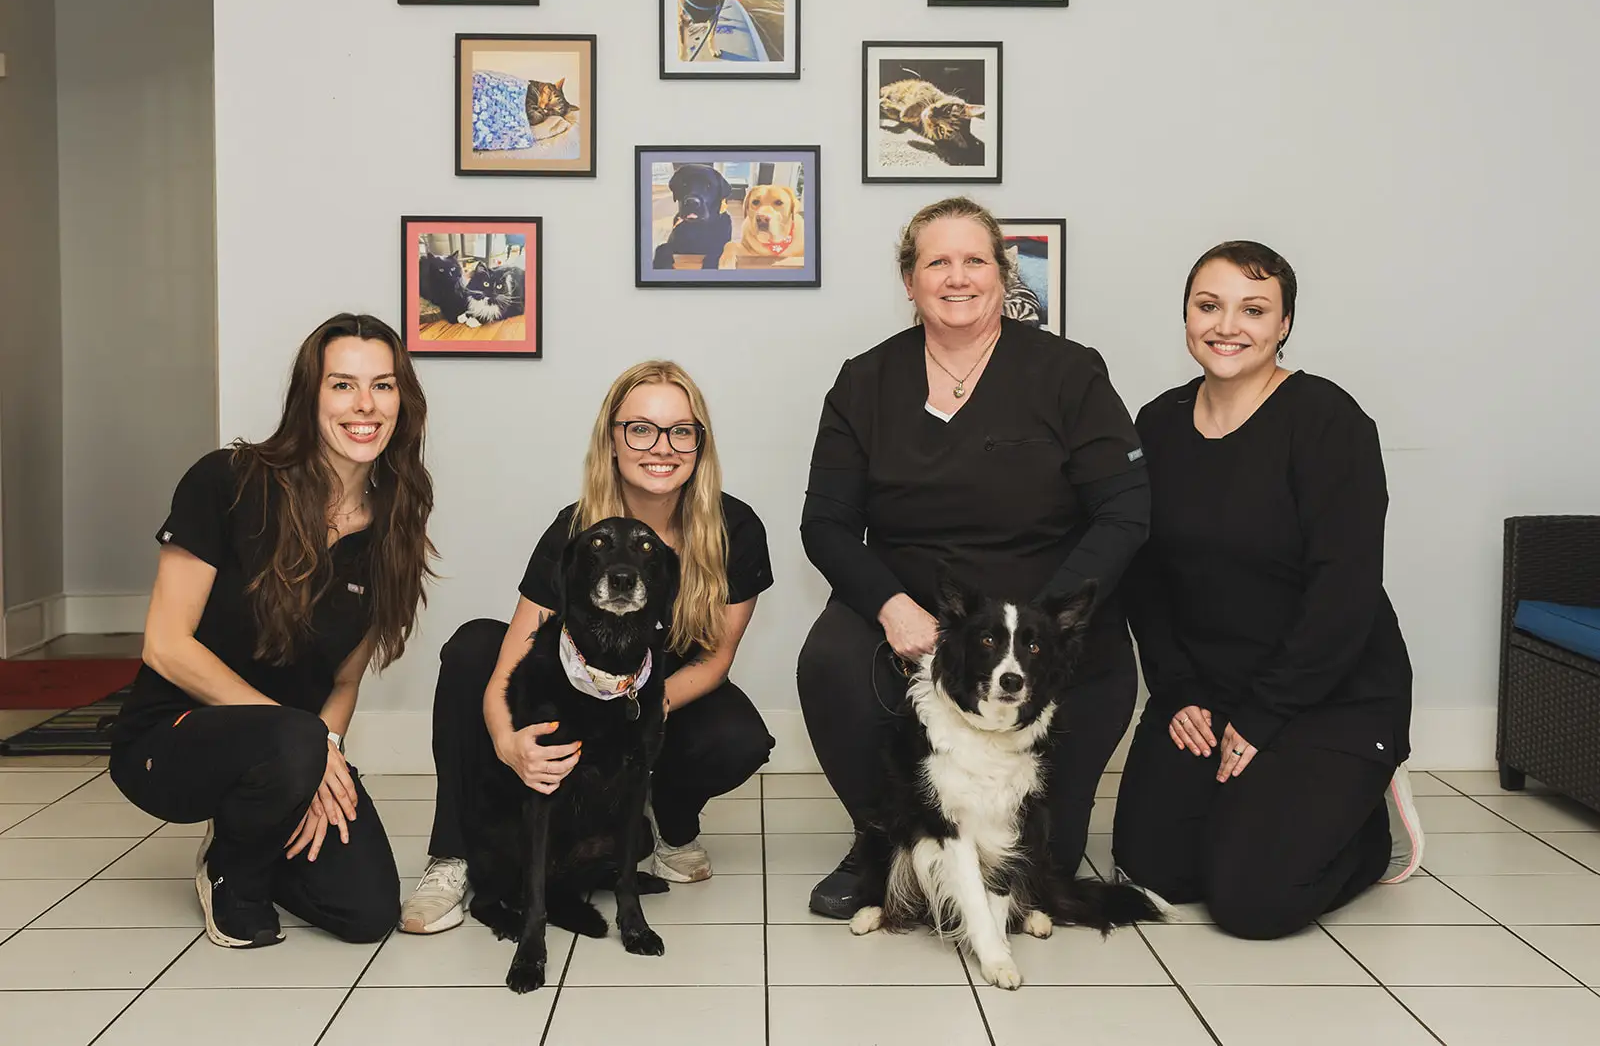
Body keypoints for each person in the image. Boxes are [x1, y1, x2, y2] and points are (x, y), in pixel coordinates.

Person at [796, 196, 1151, 919]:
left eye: (974, 260)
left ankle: (979, 852)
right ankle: (887, 841)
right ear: (910, 281)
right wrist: (892, 606)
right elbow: (826, 524)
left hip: (1048, 622)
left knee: (1034, 870)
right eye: (937, 262)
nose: (957, 278)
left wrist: (1045, 625)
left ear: (1001, 274)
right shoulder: (864, 381)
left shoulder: (1069, 373)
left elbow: (1126, 510)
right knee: (829, 657)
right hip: (921, 614)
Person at [1109, 241, 1425, 940]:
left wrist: (1264, 714)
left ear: (1283, 324)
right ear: (1186, 316)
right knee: (1152, 867)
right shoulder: (1156, 424)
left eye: (1254, 309)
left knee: (1252, 901)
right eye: (1209, 305)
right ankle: (1264, 812)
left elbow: (1343, 593)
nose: (1228, 325)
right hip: (1210, 689)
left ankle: (1365, 834)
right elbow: (1142, 573)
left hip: (1328, 693)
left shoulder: (1328, 422)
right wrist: (1177, 687)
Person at [401, 360, 774, 934]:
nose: (662, 447)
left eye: (681, 430)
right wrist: (508, 743)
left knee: (738, 738)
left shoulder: (735, 527)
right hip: (578, 685)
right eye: (641, 428)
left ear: (700, 443)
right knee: (475, 646)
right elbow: (513, 662)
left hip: (657, 688)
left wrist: (636, 708)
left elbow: (716, 659)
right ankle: (453, 855)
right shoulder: (575, 529)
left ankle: (667, 825)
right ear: (613, 439)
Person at [108, 314, 436, 949]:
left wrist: (327, 750)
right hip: (170, 740)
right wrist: (307, 742)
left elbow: (344, 678)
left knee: (365, 912)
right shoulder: (227, 481)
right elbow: (165, 645)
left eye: (384, 385)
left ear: (404, 400)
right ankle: (231, 868)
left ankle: (261, 818)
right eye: (343, 385)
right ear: (309, 397)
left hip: (293, 748)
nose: (365, 405)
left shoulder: (394, 522)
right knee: (290, 737)